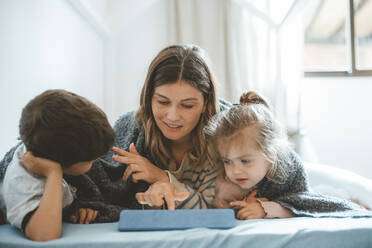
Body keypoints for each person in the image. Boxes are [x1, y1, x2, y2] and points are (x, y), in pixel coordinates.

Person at [98, 44, 230, 210]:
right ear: (149, 97)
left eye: (187, 105)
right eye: (162, 102)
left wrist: (161, 177)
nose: (172, 116)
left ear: (206, 103)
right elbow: (101, 190)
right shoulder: (132, 127)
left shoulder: (231, 127)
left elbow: (267, 188)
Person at [204, 91, 372, 219]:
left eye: (245, 161)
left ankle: (355, 200)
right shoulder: (224, 177)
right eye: (228, 161)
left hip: (308, 188)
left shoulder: (288, 169)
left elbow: (301, 202)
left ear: (270, 153)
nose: (235, 171)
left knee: (334, 196)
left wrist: (265, 208)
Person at [1, 89, 115, 241]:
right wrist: (54, 173)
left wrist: (77, 208)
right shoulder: (22, 180)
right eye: (91, 160)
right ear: (62, 163)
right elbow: (44, 234)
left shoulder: (48, 148)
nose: (96, 161)